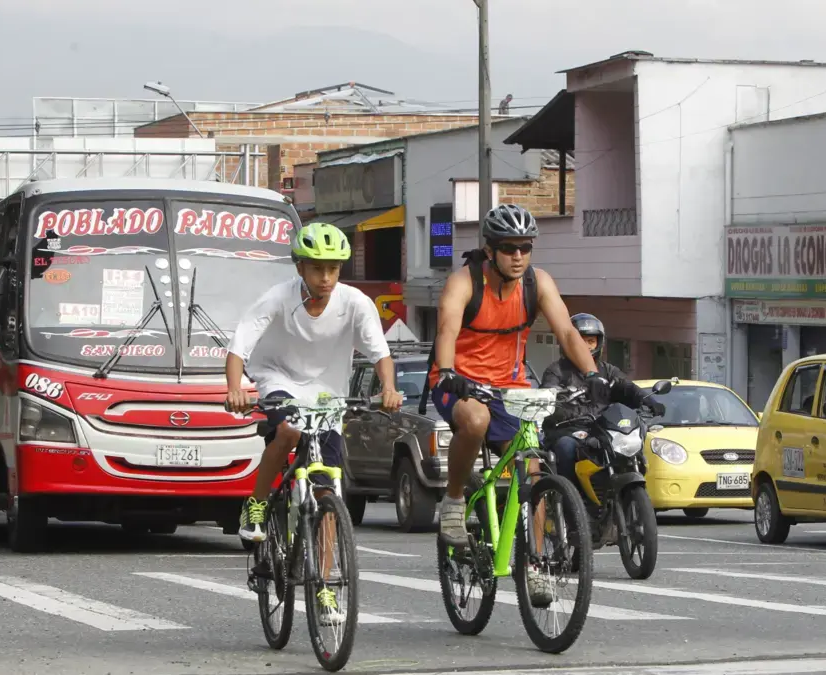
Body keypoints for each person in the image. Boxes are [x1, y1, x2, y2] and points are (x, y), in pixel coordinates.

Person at [224, 221, 403, 624]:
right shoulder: (277, 298)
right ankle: (255, 505)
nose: (326, 277)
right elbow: (239, 348)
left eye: (334, 268)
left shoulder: (355, 303)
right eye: (317, 268)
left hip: (328, 397)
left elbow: (380, 353)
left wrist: (389, 388)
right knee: (287, 430)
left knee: (326, 494)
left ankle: (324, 586)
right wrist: (236, 388)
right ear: (300, 267)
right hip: (277, 378)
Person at [426, 204, 610, 552]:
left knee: (534, 467)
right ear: (489, 250)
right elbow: (447, 330)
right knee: (476, 420)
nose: (518, 256)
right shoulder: (463, 282)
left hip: (509, 387)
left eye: (525, 248)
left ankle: (538, 560)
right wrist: (448, 372)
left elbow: (569, 335)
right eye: (509, 248)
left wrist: (593, 375)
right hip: (458, 382)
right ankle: (452, 500)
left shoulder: (537, 283)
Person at [540, 313, 665, 495]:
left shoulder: (607, 370)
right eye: (580, 340)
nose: (586, 346)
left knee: (630, 444)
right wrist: (570, 411)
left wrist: (647, 399)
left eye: (590, 341)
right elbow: (548, 401)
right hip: (567, 429)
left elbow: (626, 387)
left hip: (602, 428)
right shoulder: (556, 371)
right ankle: (572, 500)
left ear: (599, 343)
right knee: (566, 447)